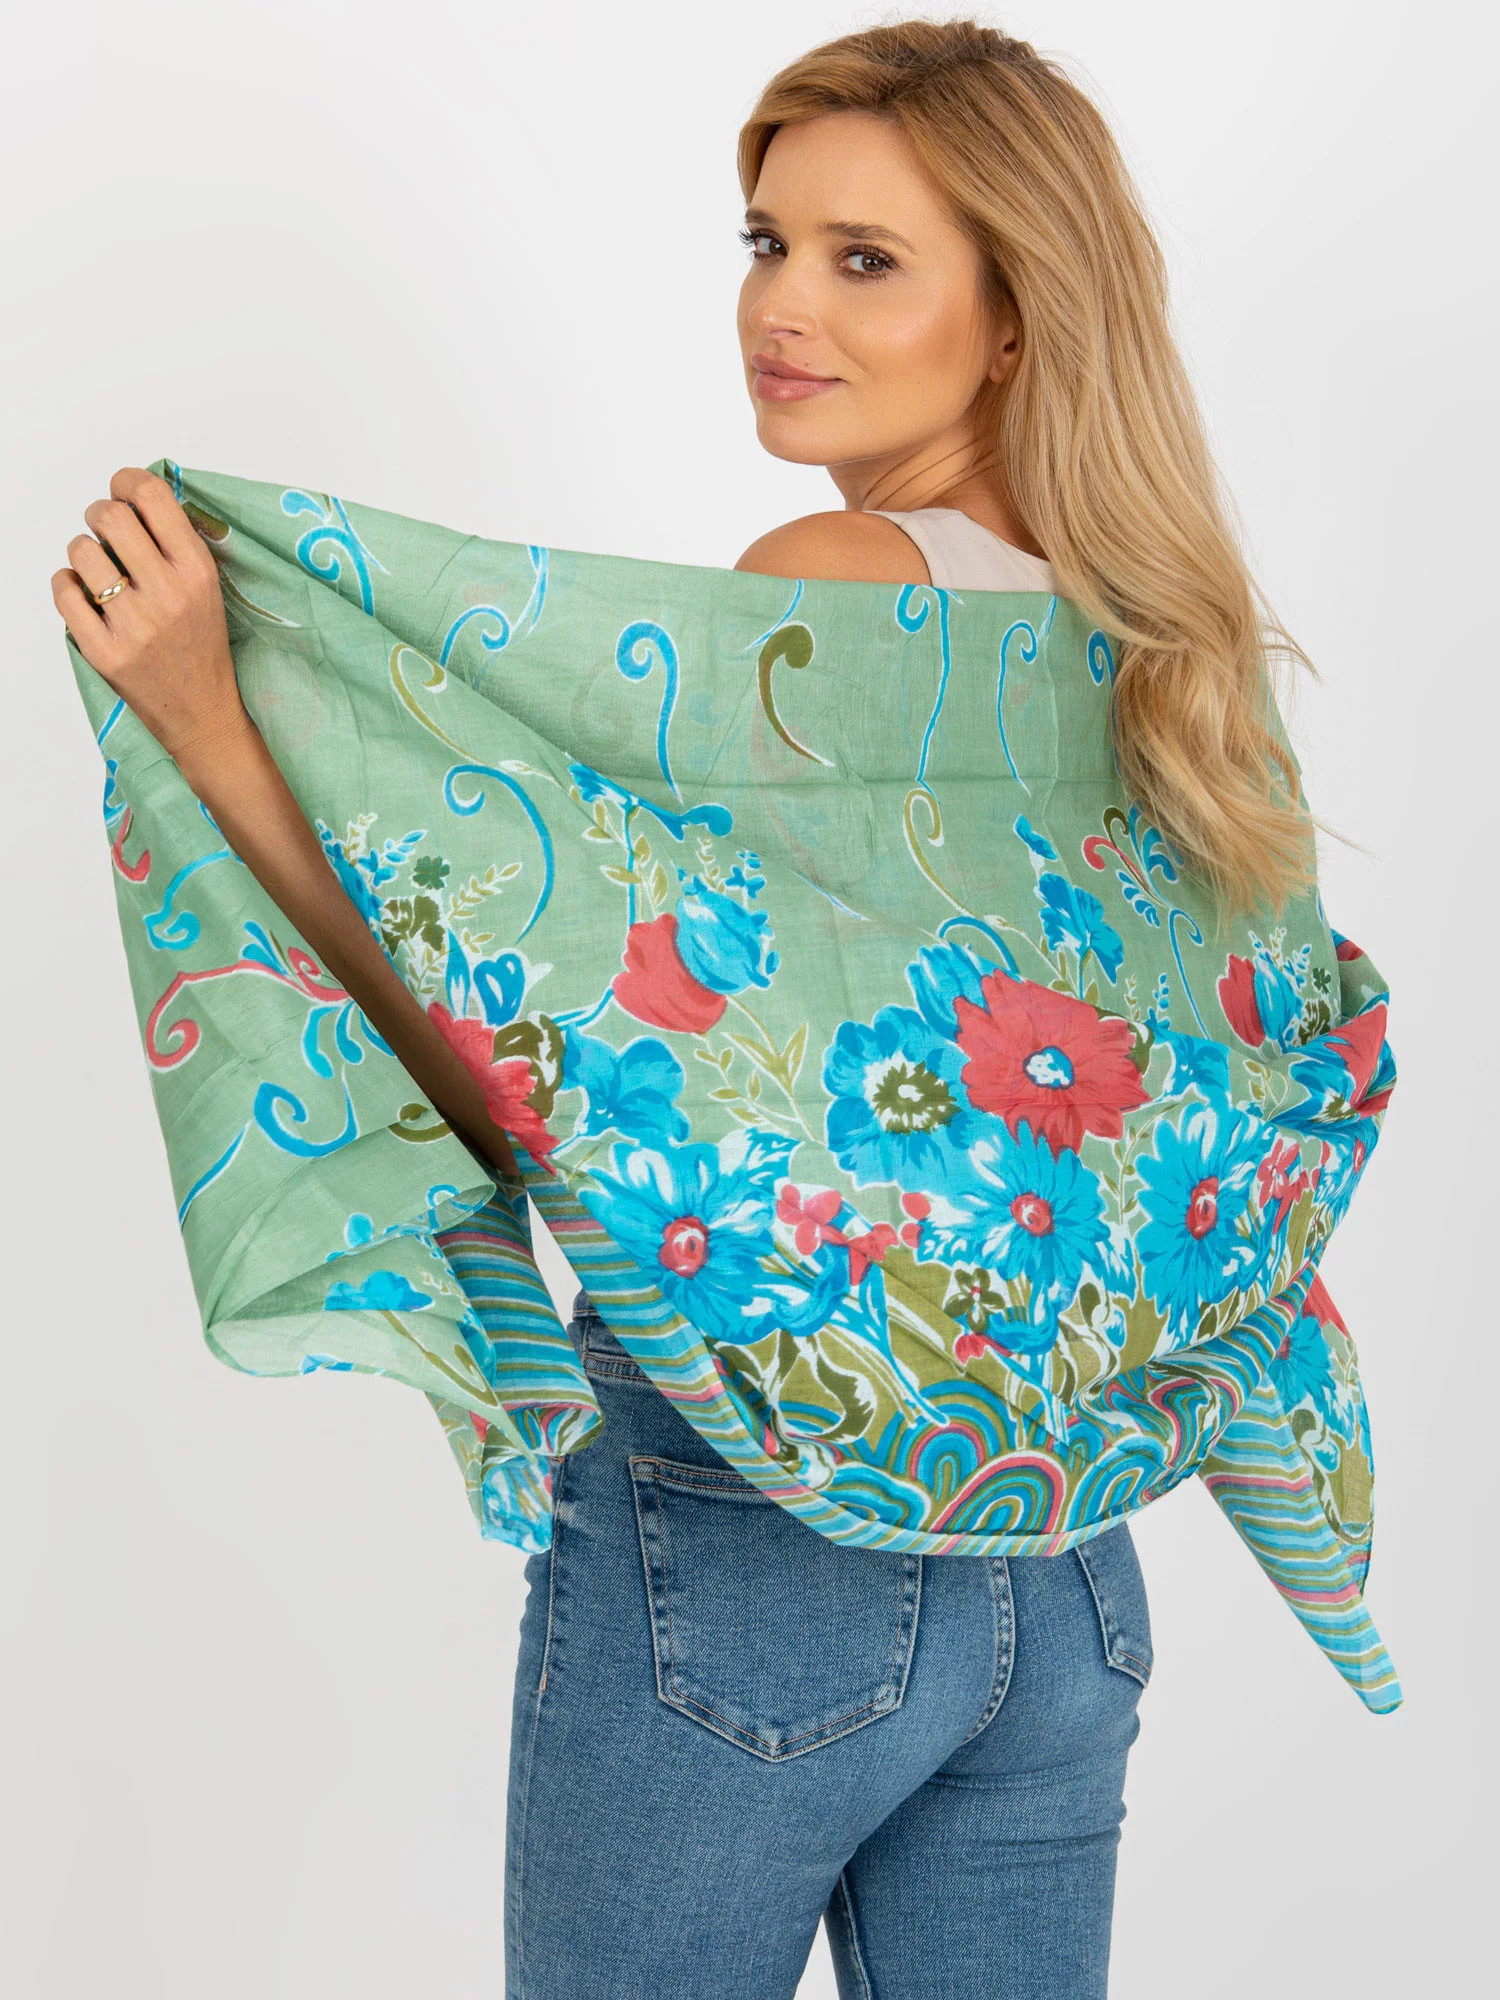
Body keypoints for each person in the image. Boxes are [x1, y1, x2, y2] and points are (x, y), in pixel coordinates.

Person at [48, 20, 1330, 1998]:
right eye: (766, 242)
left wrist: (208, 717)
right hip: (1067, 1573)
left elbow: (538, 1073)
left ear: (1014, 315)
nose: (781, 307)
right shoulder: (1160, 650)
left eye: (864, 258)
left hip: (760, 1552)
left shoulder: (830, 586)